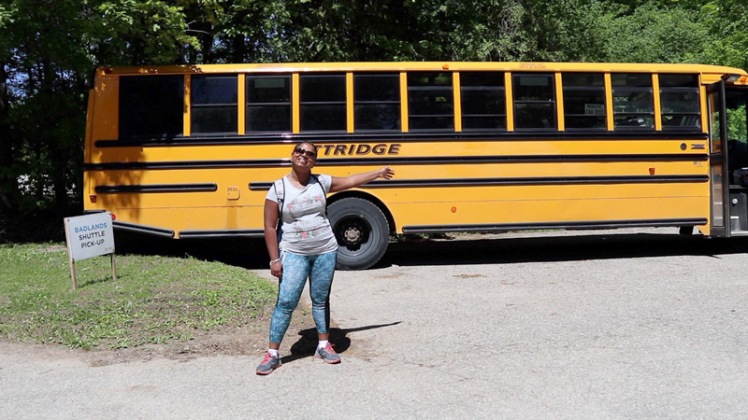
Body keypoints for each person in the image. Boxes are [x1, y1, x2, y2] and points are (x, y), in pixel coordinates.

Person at [256, 142, 395, 375]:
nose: (304, 155)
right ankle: (273, 354)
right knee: (286, 302)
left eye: (309, 154)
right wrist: (274, 260)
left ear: (314, 161)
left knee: (320, 299)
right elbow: (270, 227)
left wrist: (378, 172)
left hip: (325, 250)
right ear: (292, 156)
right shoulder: (278, 188)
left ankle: (323, 345)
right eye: (299, 151)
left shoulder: (322, 182)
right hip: (293, 253)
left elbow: (352, 181)